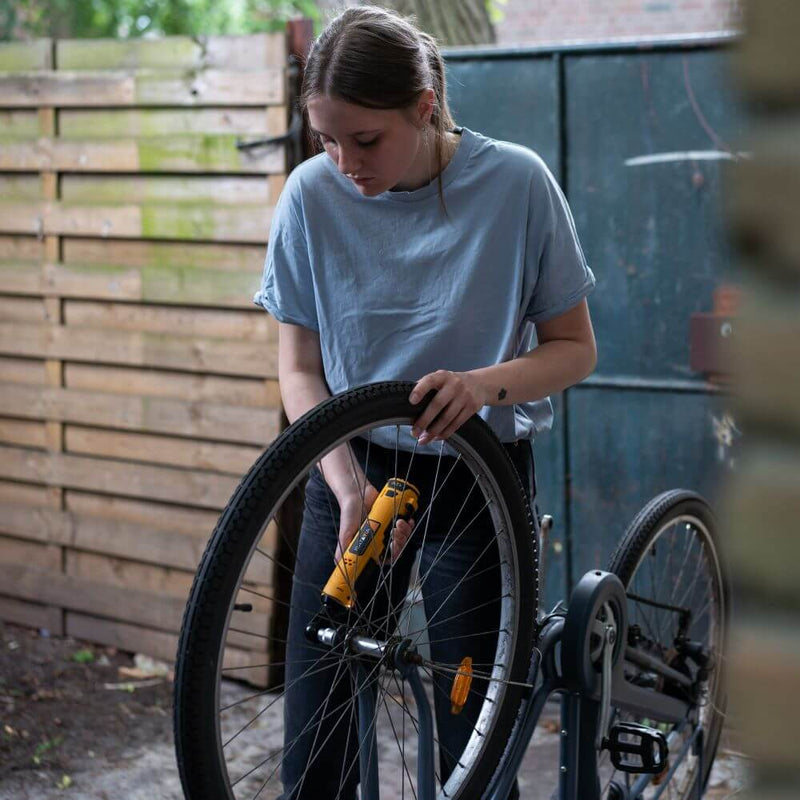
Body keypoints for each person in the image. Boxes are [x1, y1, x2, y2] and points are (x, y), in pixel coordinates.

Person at [253, 6, 597, 798]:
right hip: (352, 470)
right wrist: (343, 484)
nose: (343, 162)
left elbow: (575, 349)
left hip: (480, 480)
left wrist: (482, 384)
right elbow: (299, 368)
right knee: (319, 725)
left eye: (364, 140)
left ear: (424, 104)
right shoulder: (309, 196)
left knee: (470, 726)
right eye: (325, 139)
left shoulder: (516, 183)